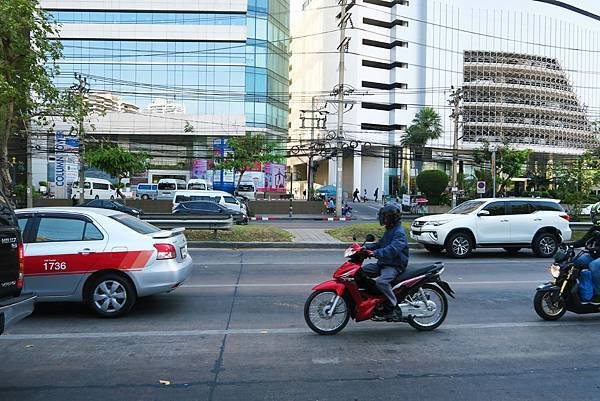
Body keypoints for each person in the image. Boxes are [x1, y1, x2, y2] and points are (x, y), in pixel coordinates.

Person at [361, 204, 409, 319]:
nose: (383, 219)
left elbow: (392, 250)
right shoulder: (390, 230)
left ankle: (393, 305)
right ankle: (375, 296)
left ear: (393, 218)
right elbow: (380, 244)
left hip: (394, 265)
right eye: (383, 217)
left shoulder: (399, 232)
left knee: (381, 282)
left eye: (386, 217)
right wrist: (364, 248)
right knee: (360, 272)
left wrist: (375, 253)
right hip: (384, 263)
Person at [571, 202, 600, 294]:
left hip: (596, 255)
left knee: (594, 265)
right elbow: (583, 241)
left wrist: (595, 249)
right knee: (575, 261)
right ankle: (581, 286)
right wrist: (568, 245)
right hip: (595, 255)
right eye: (594, 215)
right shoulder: (595, 228)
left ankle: (598, 292)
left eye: (597, 216)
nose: (595, 218)